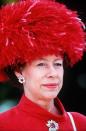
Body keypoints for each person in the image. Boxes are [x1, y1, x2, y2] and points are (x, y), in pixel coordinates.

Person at [0, 0, 86, 130]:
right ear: (18, 71)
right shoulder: (4, 125)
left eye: (57, 64)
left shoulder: (80, 123)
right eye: (41, 64)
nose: (53, 73)